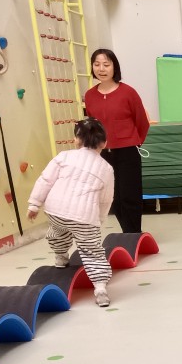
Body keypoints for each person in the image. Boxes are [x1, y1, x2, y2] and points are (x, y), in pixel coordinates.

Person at [27, 118, 115, 307]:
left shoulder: (64, 156)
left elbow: (45, 181)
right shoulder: (106, 168)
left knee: (57, 232)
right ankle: (100, 288)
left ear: (76, 140)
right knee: (92, 251)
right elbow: (106, 199)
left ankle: (61, 256)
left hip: (56, 210)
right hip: (84, 216)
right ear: (104, 143)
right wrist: (99, 219)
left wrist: (34, 204)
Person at [84, 49, 150, 234]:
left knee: (130, 195)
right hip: (103, 154)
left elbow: (142, 122)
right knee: (113, 197)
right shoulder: (89, 95)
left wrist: (135, 142)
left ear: (114, 67)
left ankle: (133, 233)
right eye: (97, 64)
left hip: (128, 150)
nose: (101, 69)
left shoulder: (128, 92)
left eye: (106, 64)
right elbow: (93, 125)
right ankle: (127, 232)